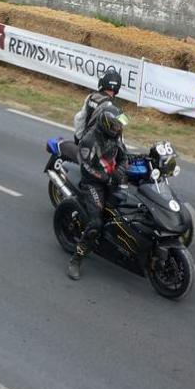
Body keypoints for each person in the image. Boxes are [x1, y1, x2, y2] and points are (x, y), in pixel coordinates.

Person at [67, 105, 130, 281]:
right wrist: (106, 178)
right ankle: (76, 259)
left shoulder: (116, 136)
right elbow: (86, 167)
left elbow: (124, 157)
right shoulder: (89, 140)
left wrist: (120, 171)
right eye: (116, 125)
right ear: (106, 124)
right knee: (95, 223)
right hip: (93, 184)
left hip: (112, 178)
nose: (119, 128)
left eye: (120, 125)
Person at [73, 68, 122, 143]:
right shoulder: (113, 107)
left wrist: (78, 139)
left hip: (85, 140)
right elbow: (117, 131)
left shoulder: (91, 96)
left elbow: (80, 118)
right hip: (100, 145)